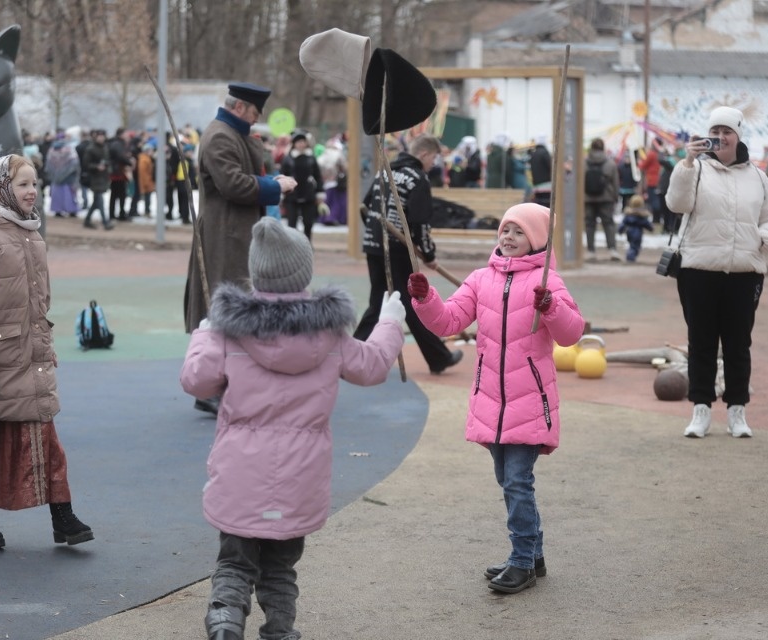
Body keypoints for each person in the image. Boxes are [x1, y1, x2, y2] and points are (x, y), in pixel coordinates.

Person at [180, 216, 405, 640]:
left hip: (239, 473)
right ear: (304, 271)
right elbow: (372, 366)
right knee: (280, 565)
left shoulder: (231, 332)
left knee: (234, 562)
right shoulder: (330, 333)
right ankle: (279, 631)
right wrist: (390, 321)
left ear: (256, 271)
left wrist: (205, 336)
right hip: (301, 476)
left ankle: (226, 619)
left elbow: (197, 381)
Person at [406, 203, 585, 594]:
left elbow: (572, 334)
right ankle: (533, 554)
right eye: (504, 229)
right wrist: (425, 300)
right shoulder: (480, 279)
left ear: (537, 238)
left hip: (528, 398)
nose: (507, 237)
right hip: (491, 399)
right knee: (507, 477)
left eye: (518, 232)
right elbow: (449, 320)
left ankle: (521, 559)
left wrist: (550, 307)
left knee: (518, 481)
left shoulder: (548, 281)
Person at [0, 154, 93, 551]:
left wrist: (45, 347)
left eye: (35, 184)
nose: (32, 192)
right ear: (1, 189)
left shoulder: (31, 237)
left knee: (46, 439)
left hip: (28, 360)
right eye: (23, 184)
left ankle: (63, 515)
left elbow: (36, 307)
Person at [664, 105, 768, 439]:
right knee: (700, 342)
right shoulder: (696, 170)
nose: (720, 137)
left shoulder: (758, 176)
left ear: (738, 135)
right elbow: (676, 203)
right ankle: (700, 410)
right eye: (715, 131)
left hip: (745, 271)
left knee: (737, 344)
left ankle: (737, 411)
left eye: (727, 131)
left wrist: (764, 238)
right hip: (698, 270)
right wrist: (686, 163)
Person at [183, 82, 298, 415]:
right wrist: (274, 187)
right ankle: (208, 386)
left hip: (234, 234)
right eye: (254, 111)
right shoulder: (220, 136)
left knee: (231, 308)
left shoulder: (231, 133)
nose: (257, 117)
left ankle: (222, 383)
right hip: (224, 236)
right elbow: (234, 184)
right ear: (240, 107)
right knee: (219, 310)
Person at [354, 133, 464, 374]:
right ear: (423, 154)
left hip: (374, 244)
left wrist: (376, 234)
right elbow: (420, 221)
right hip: (397, 248)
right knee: (411, 303)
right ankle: (438, 357)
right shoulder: (418, 178)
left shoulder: (385, 171)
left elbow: (366, 207)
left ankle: (352, 353)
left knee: (378, 302)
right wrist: (429, 253)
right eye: (434, 158)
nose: (434, 164)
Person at [280, 131, 324, 240]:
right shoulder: (287, 159)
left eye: (303, 141)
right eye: (298, 142)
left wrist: (319, 193)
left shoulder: (311, 158)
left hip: (308, 194)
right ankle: (293, 245)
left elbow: (318, 176)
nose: (301, 144)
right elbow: (282, 175)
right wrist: (281, 191)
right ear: (294, 144)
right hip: (291, 195)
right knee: (292, 223)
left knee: (308, 222)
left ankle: (307, 243)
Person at [583, 137, 622, 261]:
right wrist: (615, 197)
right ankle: (612, 250)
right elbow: (615, 183)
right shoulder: (610, 163)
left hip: (587, 198)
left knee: (589, 224)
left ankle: (591, 251)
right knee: (608, 223)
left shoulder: (583, 163)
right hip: (606, 198)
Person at [81, 129, 114, 230]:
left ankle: (87, 220)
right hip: (94, 178)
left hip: (103, 177)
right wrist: (96, 167)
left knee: (96, 202)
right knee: (100, 200)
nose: (101, 138)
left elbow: (108, 160)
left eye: (102, 136)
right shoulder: (91, 149)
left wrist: (106, 166)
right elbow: (86, 164)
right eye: (99, 136)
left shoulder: (105, 147)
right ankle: (105, 222)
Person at [44, 134, 81, 218]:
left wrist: (54, 173)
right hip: (68, 177)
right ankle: (72, 210)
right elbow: (74, 162)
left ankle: (58, 210)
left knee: (57, 194)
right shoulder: (69, 148)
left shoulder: (52, 149)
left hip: (55, 178)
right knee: (69, 194)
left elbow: (48, 163)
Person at [617, 194, 654, 262]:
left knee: (632, 245)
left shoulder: (628, 215)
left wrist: (620, 230)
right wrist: (651, 228)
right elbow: (646, 224)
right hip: (638, 232)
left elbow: (623, 223)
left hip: (629, 231)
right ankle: (630, 257)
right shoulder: (642, 216)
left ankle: (630, 256)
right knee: (635, 247)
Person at [638, 139, 663, 226]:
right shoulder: (660, 154)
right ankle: (657, 218)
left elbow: (643, 166)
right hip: (659, 181)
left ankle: (655, 219)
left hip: (651, 181)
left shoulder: (651, 154)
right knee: (657, 199)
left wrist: (639, 162)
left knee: (653, 200)